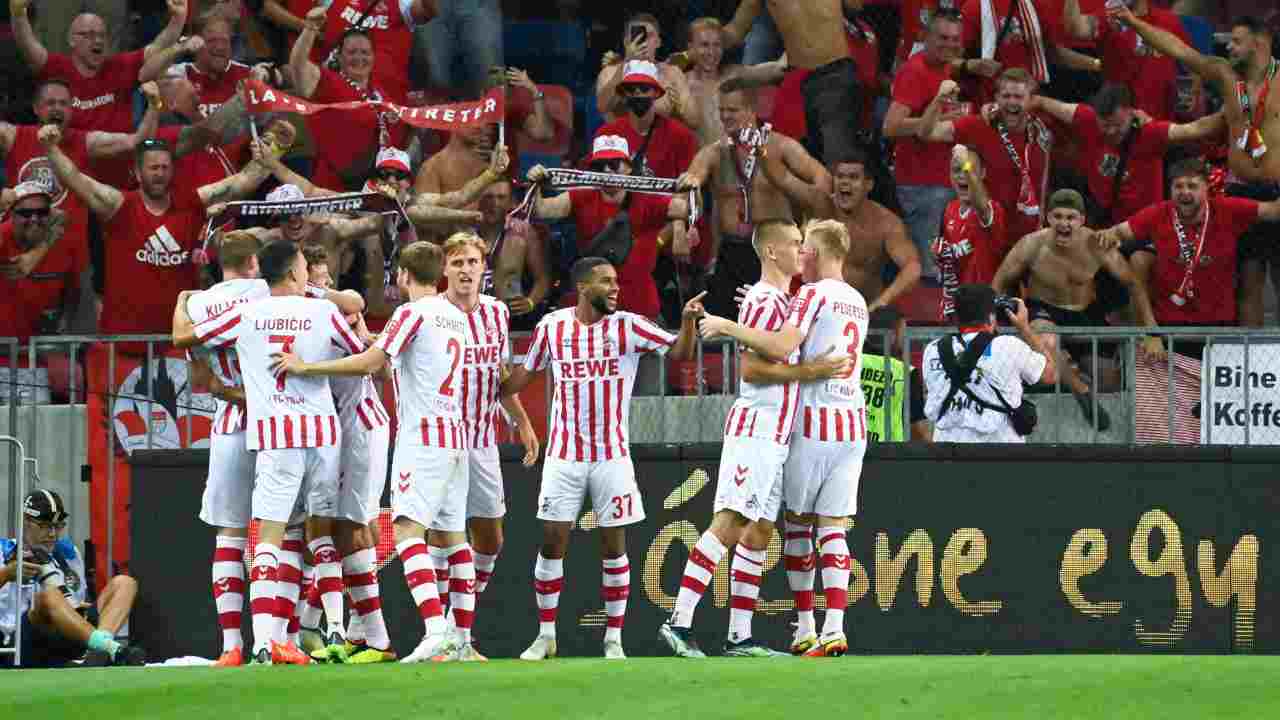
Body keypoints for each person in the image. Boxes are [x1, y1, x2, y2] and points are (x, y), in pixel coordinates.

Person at [659, 220, 850, 659]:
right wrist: (810, 371)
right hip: (757, 426)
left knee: (760, 531)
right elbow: (752, 370)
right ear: (771, 253)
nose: (803, 251)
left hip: (777, 433)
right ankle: (678, 621)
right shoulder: (765, 298)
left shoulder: (780, 300)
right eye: (795, 244)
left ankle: (738, 637)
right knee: (730, 521)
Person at [269, 241, 467, 664]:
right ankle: (448, 636)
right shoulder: (454, 316)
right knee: (449, 538)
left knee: (404, 531)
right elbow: (390, 352)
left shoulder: (407, 313)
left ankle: (432, 630)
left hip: (413, 435)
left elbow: (371, 362)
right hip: (452, 436)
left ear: (402, 277)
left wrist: (306, 366)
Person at [499, 258, 705, 661]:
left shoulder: (628, 325)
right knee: (552, 540)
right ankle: (545, 636)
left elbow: (681, 353)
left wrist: (687, 322)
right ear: (582, 286)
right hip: (564, 453)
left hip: (612, 455)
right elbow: (522, 377)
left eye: (616, 282)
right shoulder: (552, 327)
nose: (615, 289)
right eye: (605, 282)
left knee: (614, 546)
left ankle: (614, 638)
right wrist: (492, 383)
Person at [175, 239, 366, 666]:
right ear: (296, 272)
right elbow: (362, 352)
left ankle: (245, 643)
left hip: (255, 430)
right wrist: (319, 364)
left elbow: (183, 339)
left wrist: (181, 300)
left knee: (246, 536)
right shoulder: (320, 307)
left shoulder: (229, 306)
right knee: (312, 535)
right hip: (321, 434)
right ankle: (308, 634)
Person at [424, 233, 540, 662]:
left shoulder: (495, 314)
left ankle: (457, 626)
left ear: (483, 268)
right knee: (443, 537)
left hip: (482, 439)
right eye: (457, 263)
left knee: (490, 536)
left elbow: (499, 379)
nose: (466, 270)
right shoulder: (431, 313)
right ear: (444, 270)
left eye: (472, 262)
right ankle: (445, 637)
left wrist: (523, 423)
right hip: (441, 440)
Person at [41, 125, 272, 335]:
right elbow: (75, 179)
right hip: (124, 344)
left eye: (165, 167)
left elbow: (242, 182)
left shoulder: (192, 203)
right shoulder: (118, 206)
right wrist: (50, 148)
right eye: (153, 168)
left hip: (179, 343)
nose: (159, 173)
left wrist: (276, 148)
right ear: (138, 174)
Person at [992, 189, 1157, 431]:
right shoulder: (1031, 245)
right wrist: (989, 325)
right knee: (1045, 340)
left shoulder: (1096, 244)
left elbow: (1133, 282)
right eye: (1058, 216)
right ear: (1048, 218)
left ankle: (1088, 400)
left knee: (1108, 379)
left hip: (1085, 312)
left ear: (1081, 220)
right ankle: (1081, 390)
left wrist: (1151, 331)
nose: (1064, 223)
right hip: (1043, 310)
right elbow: (997, 284)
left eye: (1070, 218)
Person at [677, 78, 830, 318]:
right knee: (716, 328)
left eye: (733, 110)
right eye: (722, 110)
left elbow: (822, 178)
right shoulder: (714, 153)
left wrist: (811, 217)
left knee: (773, 321)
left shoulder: (781, 147)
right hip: (732, 252)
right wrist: (687, 207)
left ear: (751, 110)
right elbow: (693, 176)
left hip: (773, 251)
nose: (726, 116)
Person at [1095, 158, 1280, 333]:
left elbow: (1273, 211)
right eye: (1178, 186)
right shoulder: (1157, 214)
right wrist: (1107, 236)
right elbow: (1116, 232)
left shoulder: (1228, 209)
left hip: (1219, 327)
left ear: (1206, 188)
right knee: (1138, 260)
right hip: (1170, 327)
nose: (1185, 192)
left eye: (1192, 186)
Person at [527, 136, 692, 322]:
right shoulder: (580, 196)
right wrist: (536, 184)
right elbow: (542, 210)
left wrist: (691, 188)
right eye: (599, 166)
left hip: (640, 307)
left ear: (629, 168)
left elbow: (688, 210)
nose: (606, 171)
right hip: (595, 306)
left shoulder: (647, 199)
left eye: (614, 164)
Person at [1108, 8, 1279, 184]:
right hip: (1237, 190)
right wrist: (1134, 22)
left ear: (1258, 45)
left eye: (1236, 42)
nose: (1228, 46)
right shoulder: (1227, 76)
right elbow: (1179, 50)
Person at [1028, 84, 1227, 226]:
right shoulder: (1086, 119)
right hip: (1101, 221)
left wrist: (1236, 109)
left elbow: (1195, 129)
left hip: (1143, 227)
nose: (1112, 131)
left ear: (1131, 113)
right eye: (1105, 125)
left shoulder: (1150, 133)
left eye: (1118, 125)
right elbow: (1042, 102)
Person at [763, 147, 923, 315]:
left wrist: (882, 302)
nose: (844, 182)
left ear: (869, 185)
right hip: (817, 309)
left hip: (861, 313)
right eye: (840, 176)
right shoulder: (820, 205)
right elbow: (782, 178)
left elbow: (912, 268)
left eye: (853, 177)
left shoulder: (886, 224)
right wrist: (761, 151)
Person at [1, 489, 143, 667]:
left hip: (69, 634)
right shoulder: (3, 551)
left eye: (58, 526)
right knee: (47, 597)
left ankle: (97, 653)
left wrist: (79, 606)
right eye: (45, 526)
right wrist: (6, 574)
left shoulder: (68, 553)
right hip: (21, 643)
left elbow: (76, 600)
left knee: (125, 582)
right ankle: (111, 649)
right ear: (26, 523)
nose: (53, 534)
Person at [918, 69, 1053, 248]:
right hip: (987, 235)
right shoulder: (978, 125)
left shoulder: (1041, 131)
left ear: (1031, 100)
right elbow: (926, 133)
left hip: (1029, 236)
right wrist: (939, 100)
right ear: (996, 97)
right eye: (1006, 96)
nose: (1012, 102)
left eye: (1018, 97)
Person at [884, 9, 971, 279]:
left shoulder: (943, 65)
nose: (950, 44)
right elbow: (890, 126)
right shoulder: (915, 71)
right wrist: (937, 120)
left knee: (941, 266)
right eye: (943, 38)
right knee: (928, 270)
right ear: (926, 37)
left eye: (955, 39)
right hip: (921, 186)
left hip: (940, 181)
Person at [723, 0, 863, 165]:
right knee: (802, 163)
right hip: (796, 80)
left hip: (835, 74)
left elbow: (856, 6)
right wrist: (697, 47)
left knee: (837, 158)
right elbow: (735, 31)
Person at [290, 10, 412, 192]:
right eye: (352, 52)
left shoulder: (379, 92)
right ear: (339, 57)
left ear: (374, 57)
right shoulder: (328, 82)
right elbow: (298, 67)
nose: (359, 58)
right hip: (332, 189)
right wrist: (310, 29)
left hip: (376, 188)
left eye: (365, 52)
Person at [922, 284, 1056, 442]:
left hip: (948, 451)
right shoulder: (1009, 346)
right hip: (998, 451)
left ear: (956, 316)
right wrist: (1024, 327)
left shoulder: (933, 349)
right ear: (992, 317)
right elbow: (1051, 374)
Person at [1062, 0, 1197, 121]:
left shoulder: (1169, 21)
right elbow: (1075, 28)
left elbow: (1193, 64)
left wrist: (1194, 91)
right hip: (1120, 127)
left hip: (1162, 125)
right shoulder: (1108, 19)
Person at [934, 145, 1008, 319]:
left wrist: (966, 164)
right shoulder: (949, 210)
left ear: (982, 173)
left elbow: (980, 204)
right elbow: (951, 262)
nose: (962, 174)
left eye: (968, 168)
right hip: (958, 305)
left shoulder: (992, 210)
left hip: (985, 308)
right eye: (956, 170)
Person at [0, 182, 79, 344]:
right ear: (11, 214)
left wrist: (65, 320)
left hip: (39, 355)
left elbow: (73, 290)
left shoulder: (63, 245)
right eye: (25, 213)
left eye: (41, 212)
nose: (34, 219)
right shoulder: (2, 236)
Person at [594, 60, 700, 181]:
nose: (638, 93)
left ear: (656, 93)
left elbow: (689, 190)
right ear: (623, 94)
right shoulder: (606, 135)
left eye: (644, 88)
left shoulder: (681, 136)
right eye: (631, 88)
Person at [596, 14, 699, 130]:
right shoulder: (610, 72)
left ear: (658, 42)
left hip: (661, 142)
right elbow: (602, 107)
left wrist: (679, 106)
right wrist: (627, 63)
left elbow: (694, 121)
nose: (643, 42)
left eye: (649, 36)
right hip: (623, 143)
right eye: (636, 36)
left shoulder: (672, 73)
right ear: (626, 42)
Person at [475, 179, 552, 329]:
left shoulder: (524, 232)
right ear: (479, 199)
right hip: (470, 318)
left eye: (501, 197)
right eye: (489, 197)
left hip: (510, 319)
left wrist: (530, 302)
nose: (494, 203)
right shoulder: (464, 231)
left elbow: (543, 279)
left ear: (511, 202)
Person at [173, 15, 253, 118]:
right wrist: (180, 48)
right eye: (212, 41)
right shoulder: (179, 75)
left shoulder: (248, 75)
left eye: (225, 41)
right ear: (195, 43)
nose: (220, 47)